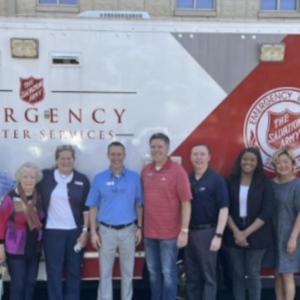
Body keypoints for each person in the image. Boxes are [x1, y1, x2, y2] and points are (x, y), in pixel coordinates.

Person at [86, 141, 143, 300]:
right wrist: (93, 232)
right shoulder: (99, 178)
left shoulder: (134, 178)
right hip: (106, 231)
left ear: (124, 156)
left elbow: (139, 204)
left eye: (119, 154)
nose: (116, 157)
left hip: (129, 231)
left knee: (128, 272)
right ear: (108, 155)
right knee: (105, 272)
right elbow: (93, 206)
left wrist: (139, 227)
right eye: (113, 154)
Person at [142, 133, 192, 300]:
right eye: (153, 146)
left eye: (160, 147)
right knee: (154, 273)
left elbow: (186, 202)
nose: (156, 150)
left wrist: (184, 230)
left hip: (170, 235)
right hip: (149, 234)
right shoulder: (146, 171)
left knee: (169, 274)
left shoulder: (178, 172)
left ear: (167, 149)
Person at [38, 144, 90, 300]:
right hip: (52, 233)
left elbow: (86, 209)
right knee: (54, 272)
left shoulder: (82, 179)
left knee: (74, 271)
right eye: (62, 158)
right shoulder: (44, 177)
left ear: (74, 160)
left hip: (75, 233)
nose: (65, 161)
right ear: (56, 160)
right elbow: (27, 186)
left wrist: (85, 231)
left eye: (69, 158)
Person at [225, 147, 273, 300]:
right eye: (245, 159)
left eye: (252, 160)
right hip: (233, 233)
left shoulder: (265, 183)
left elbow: (266, 212)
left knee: (253, 274)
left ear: (257, 163)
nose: (248, 162)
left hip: (257, 234)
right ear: (240, 161)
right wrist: (236, 232)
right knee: (237, 274)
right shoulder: (230, 181)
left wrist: (245, 233)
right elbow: (224, 208)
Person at [184, 144, 228, 300]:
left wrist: (218, 235)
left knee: (209, 277)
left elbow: (224, 209)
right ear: (190, 157)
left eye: (202, 154)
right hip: (189, 233)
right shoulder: (186, 178)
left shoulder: (217, 180)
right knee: (192, 276)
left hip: (208, 233)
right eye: (195, 154)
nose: (198, 158)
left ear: (209, 157)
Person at [0, 162, 43, 300]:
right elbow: (1, 223)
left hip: (34, 248)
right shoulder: (10, 197)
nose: (29, 180)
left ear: (36, 179)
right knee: (18, 285)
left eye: (32, 177)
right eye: (25, 176)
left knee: (30, 284)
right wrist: (0, 247)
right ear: (20, 178)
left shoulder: (39, 197)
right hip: (15, 249)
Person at [272, 149, 300, 300]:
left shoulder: (297, 185)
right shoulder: (271, 184)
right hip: (273, 235)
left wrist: (293, 238)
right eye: (278, 163)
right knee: (277, 273)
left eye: (286, 162)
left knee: (288, 274)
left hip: (289, 236)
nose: (282, 166)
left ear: (292, 164)